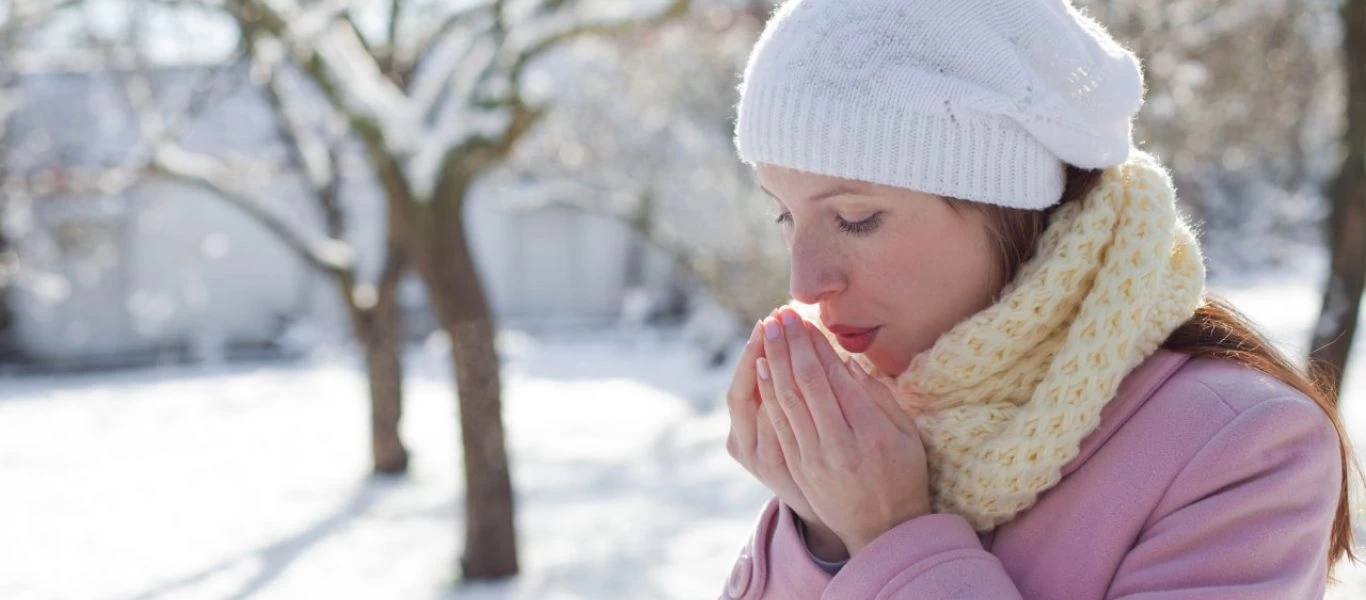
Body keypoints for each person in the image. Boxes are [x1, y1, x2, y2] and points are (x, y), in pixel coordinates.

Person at [719, 1, 1359, 598]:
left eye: (856, 219)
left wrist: (891, 537)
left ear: (1009, 205)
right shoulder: (881, 424)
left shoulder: (1243, 449)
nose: (804, 283)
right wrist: (822, 535)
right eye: (784, 217)